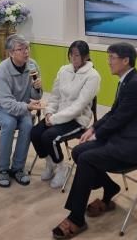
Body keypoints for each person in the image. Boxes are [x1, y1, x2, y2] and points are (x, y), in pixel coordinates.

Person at [51, 42, 137, 239]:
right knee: (78, 152)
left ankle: (76, 218)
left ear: (126, 60)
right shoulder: (126, 80)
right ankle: (110, 188)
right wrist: (93, 128)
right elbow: (114, 113)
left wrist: (97, 134)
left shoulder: (135, 85)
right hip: (122, 138)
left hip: (133, 147)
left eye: (112, 58)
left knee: (86, 158)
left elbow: (118, 119)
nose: (108, 62)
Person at [30, 40, 100, 189]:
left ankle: (62, 167)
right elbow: (55, 96)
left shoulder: (93, 76)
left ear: (86, 56)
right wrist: (49, 113)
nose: (73, 58)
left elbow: (78, 106)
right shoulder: (63, 70)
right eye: (71, 54)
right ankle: (50, 163)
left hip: (77, 120)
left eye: (77, 55)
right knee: (35, 133)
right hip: (57, 115)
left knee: (49, 137)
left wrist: (54, 119)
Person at [0, 34, 42, 187]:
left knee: (27, 124)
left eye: (27, 48)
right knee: (10, 122)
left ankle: (18, 168)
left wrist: (37, 88)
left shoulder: (32, 65)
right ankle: (3, 169)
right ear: (11, 53)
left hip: (21, 106)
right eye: (21, 49)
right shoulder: (2, 70)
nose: (26, 52)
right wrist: (27, 107)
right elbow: (7, 104)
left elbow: (36, 96)